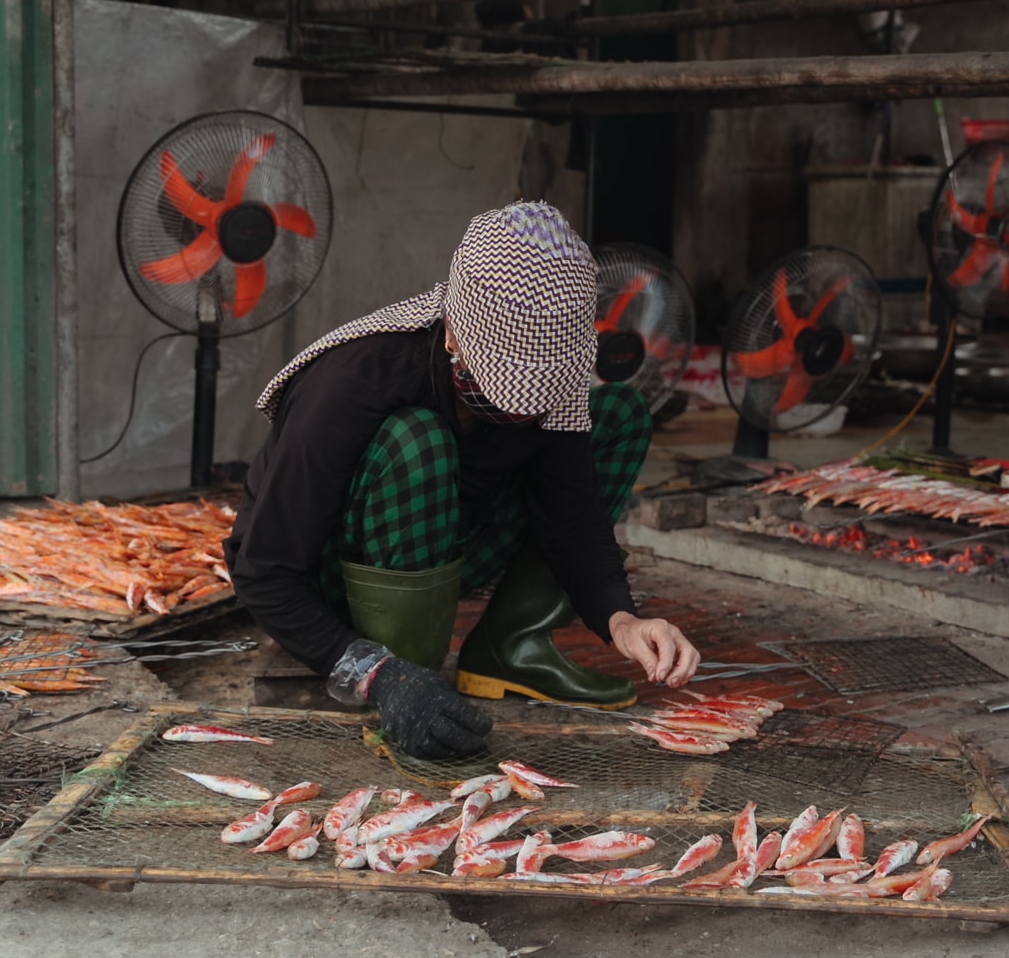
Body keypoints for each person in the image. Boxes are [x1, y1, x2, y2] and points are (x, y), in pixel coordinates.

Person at [226, 202, 699, 760]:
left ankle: (508, 646)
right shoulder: (357, 379)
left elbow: (573, 521)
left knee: (619, 412)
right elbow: (264, 572)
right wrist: (380, 676)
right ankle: (409, 672)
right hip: (339, 577)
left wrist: (622, 620)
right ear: (453, 332)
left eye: (536, 395)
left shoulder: (556, 382)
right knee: (418, 438)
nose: (524, 411)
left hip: (454, 547)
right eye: (507, 387)